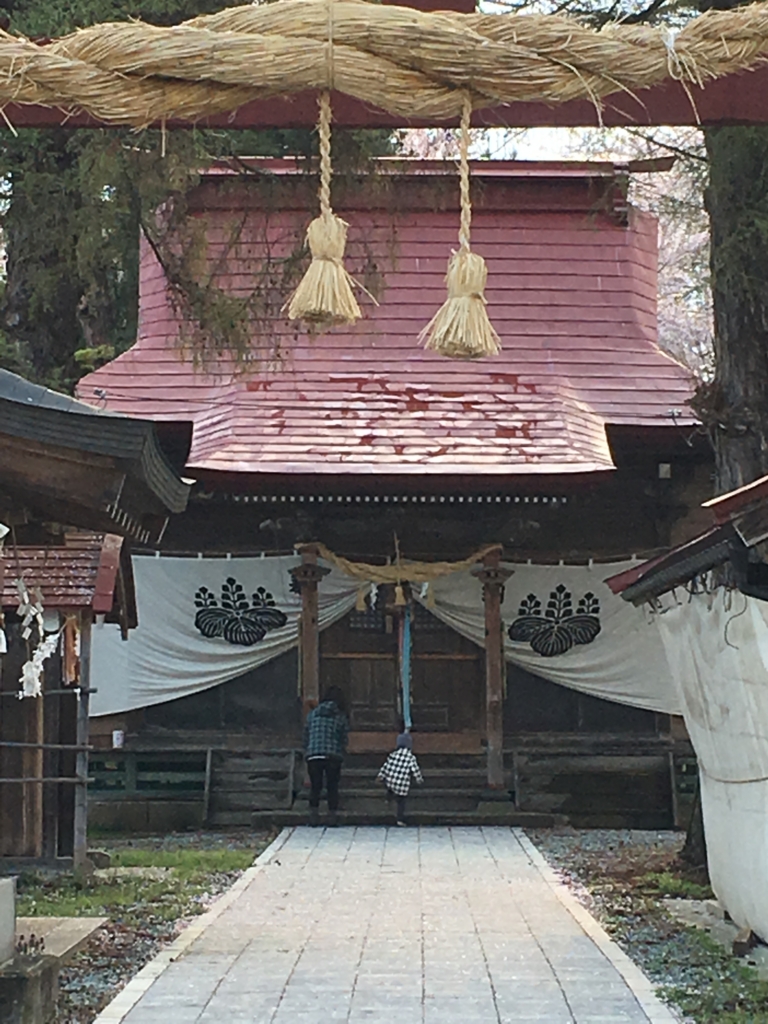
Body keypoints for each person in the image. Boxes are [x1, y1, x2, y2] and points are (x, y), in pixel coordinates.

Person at [303, 686, 349, 827]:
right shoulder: (340, 717)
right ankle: (332, 816)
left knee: (315, 786)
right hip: (332, 755)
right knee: (332, 786)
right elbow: (343, 738)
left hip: (313, 754)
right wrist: (342, 751)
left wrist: (308, 749)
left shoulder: (312, 715)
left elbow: (306, 735)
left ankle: (313, 816)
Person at [377, 730, 423, 826]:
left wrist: (380, 776)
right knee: (401, 802)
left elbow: (386, 766)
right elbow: (415, 770)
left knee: (389, 783)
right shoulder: (411, 757)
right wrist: (419, 780)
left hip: (391, 781)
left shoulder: (393, 755)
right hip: (402, 785)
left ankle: (388, 796)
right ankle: (400, 819)